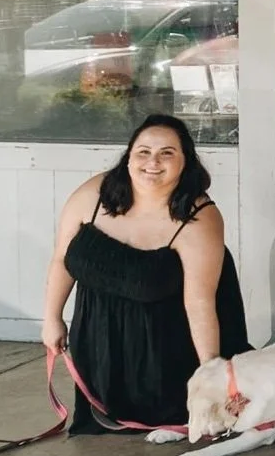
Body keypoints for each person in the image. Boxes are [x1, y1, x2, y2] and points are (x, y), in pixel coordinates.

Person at [41, 113, 250, 434]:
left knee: (168, 427)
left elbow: (200, 304)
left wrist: (210, 372)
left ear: (185, 162)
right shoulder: (92, 194)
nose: (153, 161)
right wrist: (52, 318)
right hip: (97, 338)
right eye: (143, 151)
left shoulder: (199, 217)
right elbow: (61, 260)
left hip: (166, 349)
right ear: (128, 158)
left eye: (167, 152)